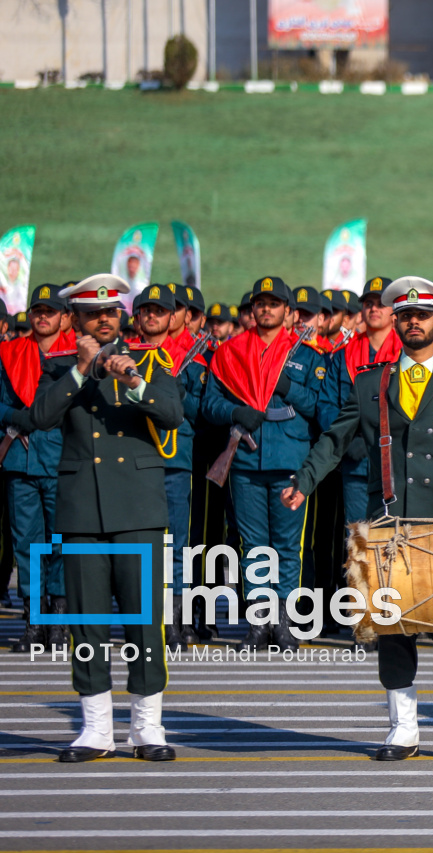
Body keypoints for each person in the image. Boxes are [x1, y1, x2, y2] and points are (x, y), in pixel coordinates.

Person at [283, 276, 433, 762]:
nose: (413, 322)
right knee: (392, 624)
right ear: (396, 322)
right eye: (405, 315)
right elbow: (336, 438)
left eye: (422, 315)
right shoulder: (371, 381)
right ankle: (403, 728)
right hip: (390, 519)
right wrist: (306, 480)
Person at [30, 274, 184, 762]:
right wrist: (80, 371)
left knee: (144, 624)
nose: (104, 319)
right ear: (74, 319)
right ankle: (95, 728)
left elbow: (172, 415)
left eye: (111, 312)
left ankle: (147, 727)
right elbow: (40, 417)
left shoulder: (150, 361)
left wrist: (132, 380)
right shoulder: (58, 367)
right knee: (88, 623)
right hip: (82, 510)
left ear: (121, 316)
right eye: (93, 313)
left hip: (137, 507)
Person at [201, 276, 326, 651]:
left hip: (290, 459)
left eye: (275, 303)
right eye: (261, 303)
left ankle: (285, 623)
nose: (266, 308)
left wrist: (286, 385)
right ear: (252, 310)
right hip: (246, 460)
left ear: (289, 313)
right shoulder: (232, 352)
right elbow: (210, 403)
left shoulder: (306, 355)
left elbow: (320, 407)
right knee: (253, 545)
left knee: (288, 545)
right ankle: (259, 622)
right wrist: (237, 410)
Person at [128, 284, 208, 649]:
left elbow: (197, 410)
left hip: (176, 460)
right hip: (137, 461)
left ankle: (177, 620)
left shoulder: (188, 357)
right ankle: (149, 619)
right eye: (146, 311)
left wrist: (171, 391)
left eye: (161, 311)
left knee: (177, 545)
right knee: (142, 547)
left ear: (175, 316)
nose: (153, 317)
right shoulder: (124, 355)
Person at [0, 284, 75, 652]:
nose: (42, 316)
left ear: (65, 316)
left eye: (50, 310)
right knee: (27, 545)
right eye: (37, 310)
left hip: (61, 459)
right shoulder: (10, 353)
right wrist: (16, 416)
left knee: (61, 543)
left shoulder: (78, 355)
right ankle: (34, 622)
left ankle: (59, 622)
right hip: (22, 461)